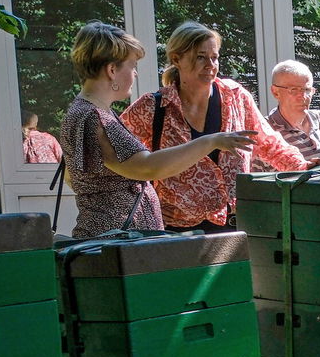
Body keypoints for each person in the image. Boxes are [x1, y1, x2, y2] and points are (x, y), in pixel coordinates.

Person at [58, 21, 252, 239]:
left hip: (119, 244)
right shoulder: (94, 118)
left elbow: (73, 176)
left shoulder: (87, 113)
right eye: (132, 67)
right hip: (117, 246)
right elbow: (147, 167)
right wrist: (211, 141)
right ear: (112, 70)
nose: (135, 74)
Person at [119, 21, 306, 232]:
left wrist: (307, 168)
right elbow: (116, 161)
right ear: (176, 59)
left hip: (234, 228)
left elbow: (269, 144)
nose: (210, 65)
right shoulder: (153, 107)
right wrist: (148, 203)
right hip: (175, 233)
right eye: (200, 57)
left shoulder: (235, 97)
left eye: (214, 57)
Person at [266, 60, 320, 168]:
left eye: (307, 90)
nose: (303, 96)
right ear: (275, 92)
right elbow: (257, 179)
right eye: (294, 90)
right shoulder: (265, 130)